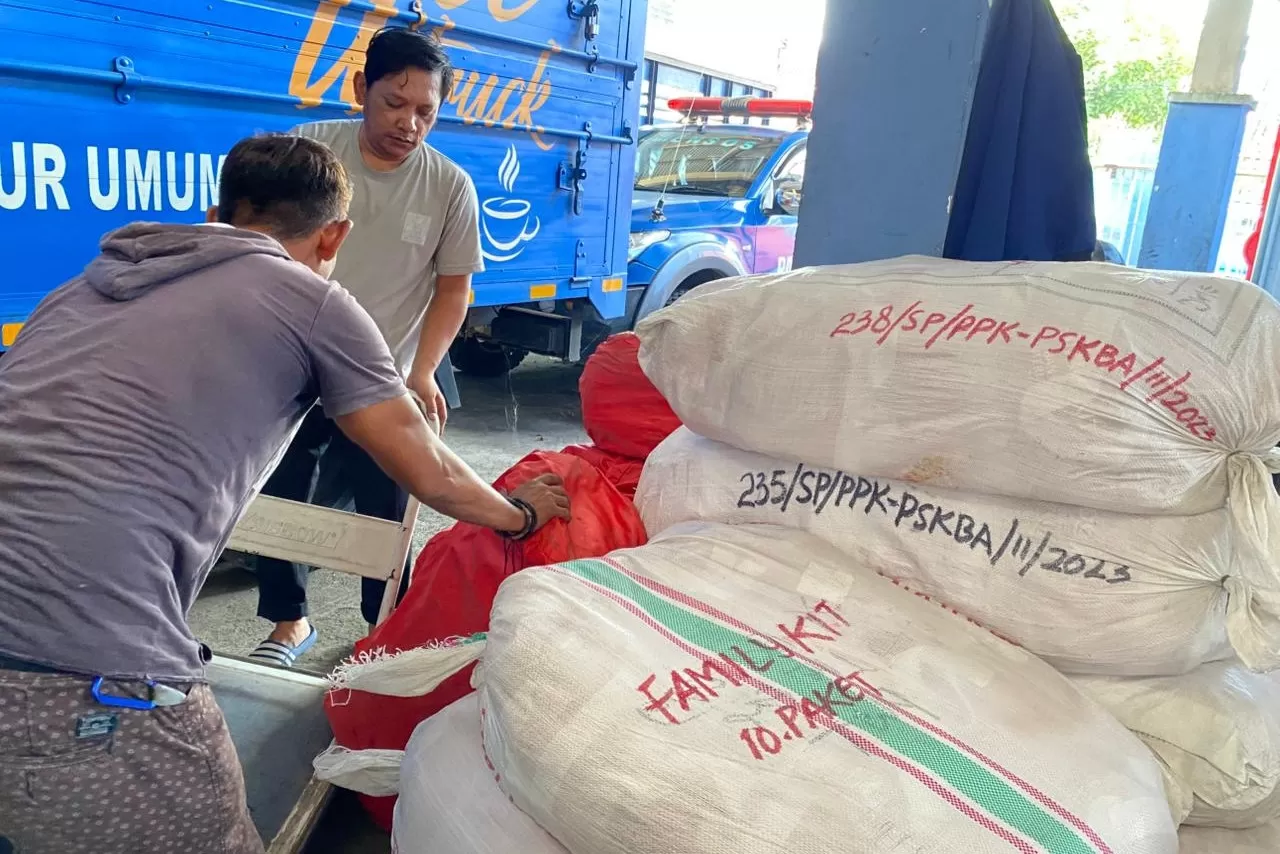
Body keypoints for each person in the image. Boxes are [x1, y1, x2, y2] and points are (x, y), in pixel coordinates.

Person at [0, 133, 569, 854]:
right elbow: (427, 469)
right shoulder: (313, 301)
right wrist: (520, 516)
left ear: (219, 210)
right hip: (75, 669)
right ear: (335, 234)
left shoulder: (83, 286)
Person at [250, 27, 483, 665]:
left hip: (385, 376)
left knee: (388, 504)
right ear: (361, 90)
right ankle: (288, 622)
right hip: (294, 367)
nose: (409, 124)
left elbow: (453, 290)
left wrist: (424, 371)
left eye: (425, 112)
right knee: (283, 492)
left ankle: (384, 627)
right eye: (394, 103)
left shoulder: (449, 185)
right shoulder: (309, 156)